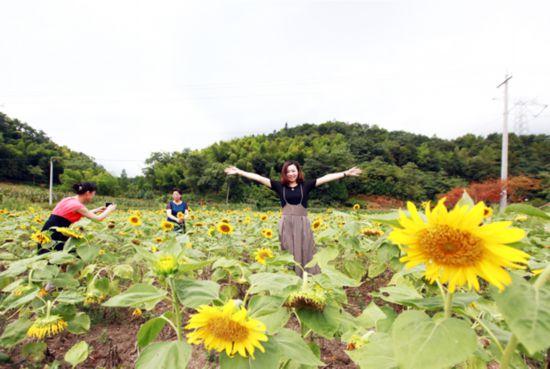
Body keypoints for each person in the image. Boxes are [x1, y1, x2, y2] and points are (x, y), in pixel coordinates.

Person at [225, 161, 362, 276]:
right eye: (288, 172)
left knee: (306, 249)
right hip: (286, 224)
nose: (291, 174)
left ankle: (308, 277)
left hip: (302, 223)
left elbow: (326, 177)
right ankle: (290, 277)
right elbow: (258, 178)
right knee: (288, 251)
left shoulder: (306, 186)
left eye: (293, 171)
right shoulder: (279, 186)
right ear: (284, 174)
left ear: (298, 172)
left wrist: (345, 173)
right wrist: (239, 172)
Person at [39, 182, 116, 254]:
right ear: (88, 193)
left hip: (48, 229)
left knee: (46, 254)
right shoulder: (78, 206)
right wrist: (109, 209)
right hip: (57, 233)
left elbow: (78, 213)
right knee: (58, 255)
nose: (93, 197)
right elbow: (97, 219)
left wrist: (97, 210)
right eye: (93, 194)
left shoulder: (69, 200)